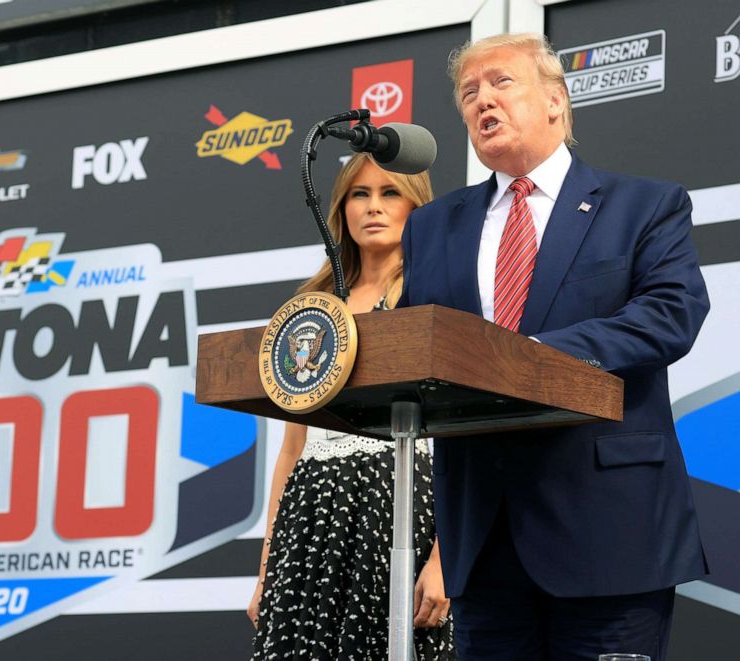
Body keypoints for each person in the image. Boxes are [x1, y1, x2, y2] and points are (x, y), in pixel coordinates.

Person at [397, 33, 709, 660]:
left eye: (501, 83)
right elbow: (416, 346)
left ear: (557, 103)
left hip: (608, 530)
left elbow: (671, 314)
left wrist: (528, 354)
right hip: (482, 539)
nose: (482, 100)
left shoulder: (644, 205)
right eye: (468, 93)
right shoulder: (433, 225)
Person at [249, 152, 456, 660]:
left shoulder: (438, 295)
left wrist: (445, 558)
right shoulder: (312, 304)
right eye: (359, 195)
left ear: (417, 206)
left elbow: (465, 439)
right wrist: (267, 567)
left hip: (406, 504)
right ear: (340, 210)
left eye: (390, 193)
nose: (373, 207)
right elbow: (290, 451)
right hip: (314, 515)